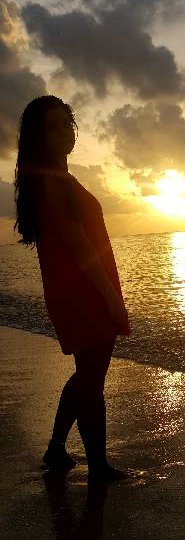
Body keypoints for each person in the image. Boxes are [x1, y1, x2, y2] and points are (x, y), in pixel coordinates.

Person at [14, 95, 132, 483]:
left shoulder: (57, 180)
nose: (65, 131)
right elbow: (80, 247)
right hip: (83, 292)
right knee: (91, 381)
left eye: (67, 123)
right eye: (53, 126)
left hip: (78, 289)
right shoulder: (53, 183)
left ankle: (56, 448)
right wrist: (111, 298)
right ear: (38, 136)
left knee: (86, 375)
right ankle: (98, 467)